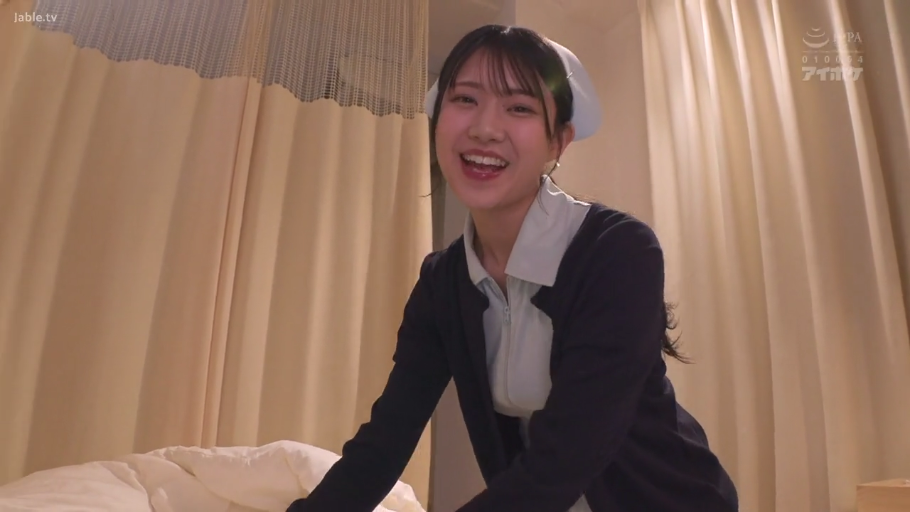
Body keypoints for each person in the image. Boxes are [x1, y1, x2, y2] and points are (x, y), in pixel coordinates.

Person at [287, 24, 738, 512]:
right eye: (465, 99)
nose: (485, 128)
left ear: (558, 142)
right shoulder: (443, 284)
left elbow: (565, 457)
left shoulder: (617, 252)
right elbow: (384, 443)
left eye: (519, 107)